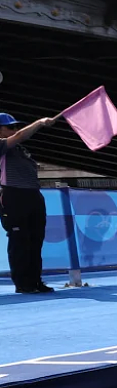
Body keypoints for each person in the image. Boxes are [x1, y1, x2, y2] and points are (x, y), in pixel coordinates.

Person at [0, 113, 56, 294]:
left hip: (33, 194)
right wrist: (40, 122)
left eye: (17, 126)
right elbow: (19, 136)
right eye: (11, 127)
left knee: (35, 240)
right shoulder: (2, 145)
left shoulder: (21, 150)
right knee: (19, 240)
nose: (15, 130)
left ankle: (35, 280)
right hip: (13, 195)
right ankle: (23, 283)